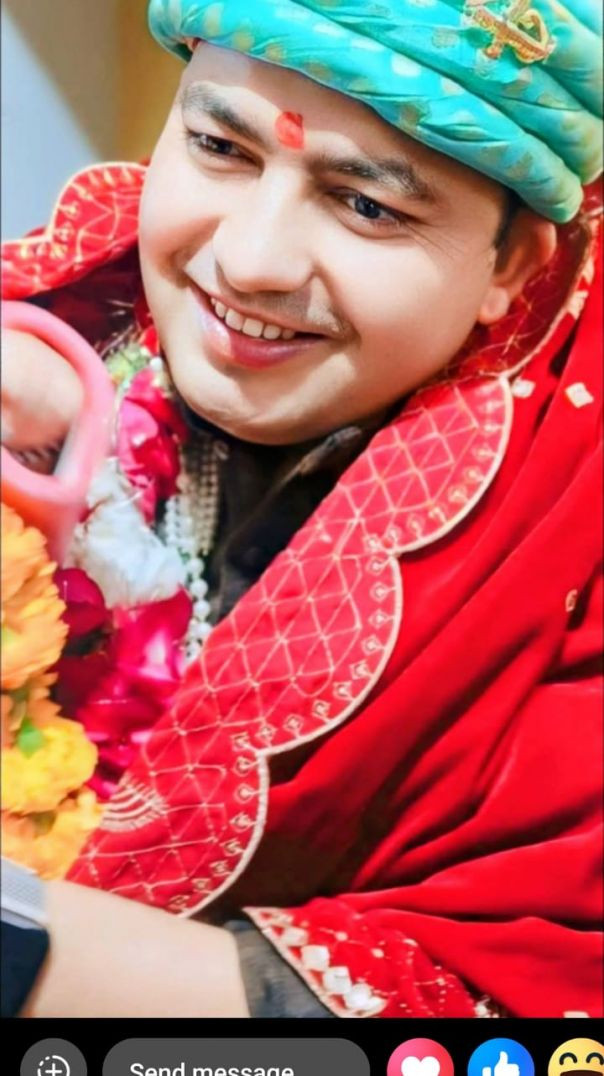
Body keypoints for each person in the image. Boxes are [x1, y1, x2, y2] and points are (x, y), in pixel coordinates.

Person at [1, 0, 602, 1020]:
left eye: (366, 205)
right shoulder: (57, 336)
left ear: (510, 265)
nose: (250, 262)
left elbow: (525, 989)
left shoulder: (566, 528)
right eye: (219, 147)